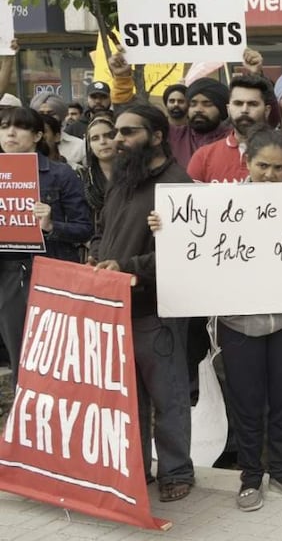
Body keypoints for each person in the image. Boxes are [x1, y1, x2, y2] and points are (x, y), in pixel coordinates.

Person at [149, 127, 282, 512]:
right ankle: (251, 476)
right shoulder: (218, 203)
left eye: (279, 168)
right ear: (247, 162)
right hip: (238, 322)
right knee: (246, 400)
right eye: (262, 166)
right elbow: (189, 241)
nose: (270, 175)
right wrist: (165, 228)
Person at [88, 103, 195, 502]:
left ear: (156, 136)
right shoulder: (122, 179)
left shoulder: (178, 185)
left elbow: (184, 251)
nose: (118, 139)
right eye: (116, 132)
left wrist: (127, 266)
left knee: (168, 396)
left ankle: (176, 472)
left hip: (155, 311)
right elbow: (102, 230)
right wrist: (96, 256)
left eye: (128, 132)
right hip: (115, 308)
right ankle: (137, 469)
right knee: (129, 397)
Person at [0, 107, 93, 391]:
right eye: (4, 127)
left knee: (57, 352)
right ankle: (24, 411)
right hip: (8, 275)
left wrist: (52, 225)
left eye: (19, 127)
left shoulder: (61, 174)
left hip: (52, 269)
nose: (10, 133)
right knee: (19, 354)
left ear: (38, 135)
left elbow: (85, 228)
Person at [188, 75, 275, 183]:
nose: (244, 110)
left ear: (267, 111)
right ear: (228, 109)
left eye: (253, 104)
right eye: (238, 104)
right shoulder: (203, 156)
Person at [169, 77, 232, 168]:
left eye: (207, 104)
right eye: (193, 104)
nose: (198, 110)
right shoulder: (174, 135)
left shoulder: (233, 139)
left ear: (221, 109)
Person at [76, 116, 116, 235]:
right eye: (95, 138)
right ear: (89, 145)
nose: (103, 142)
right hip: (96, 239)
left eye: (108, 135)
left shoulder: (134, 173)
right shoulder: (82, 177)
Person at [31, 91, 86, 170]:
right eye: (41, 114)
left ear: (61, 115)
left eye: (51, 114)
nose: (46, 117)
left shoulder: (78, 145)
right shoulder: (27, 145)